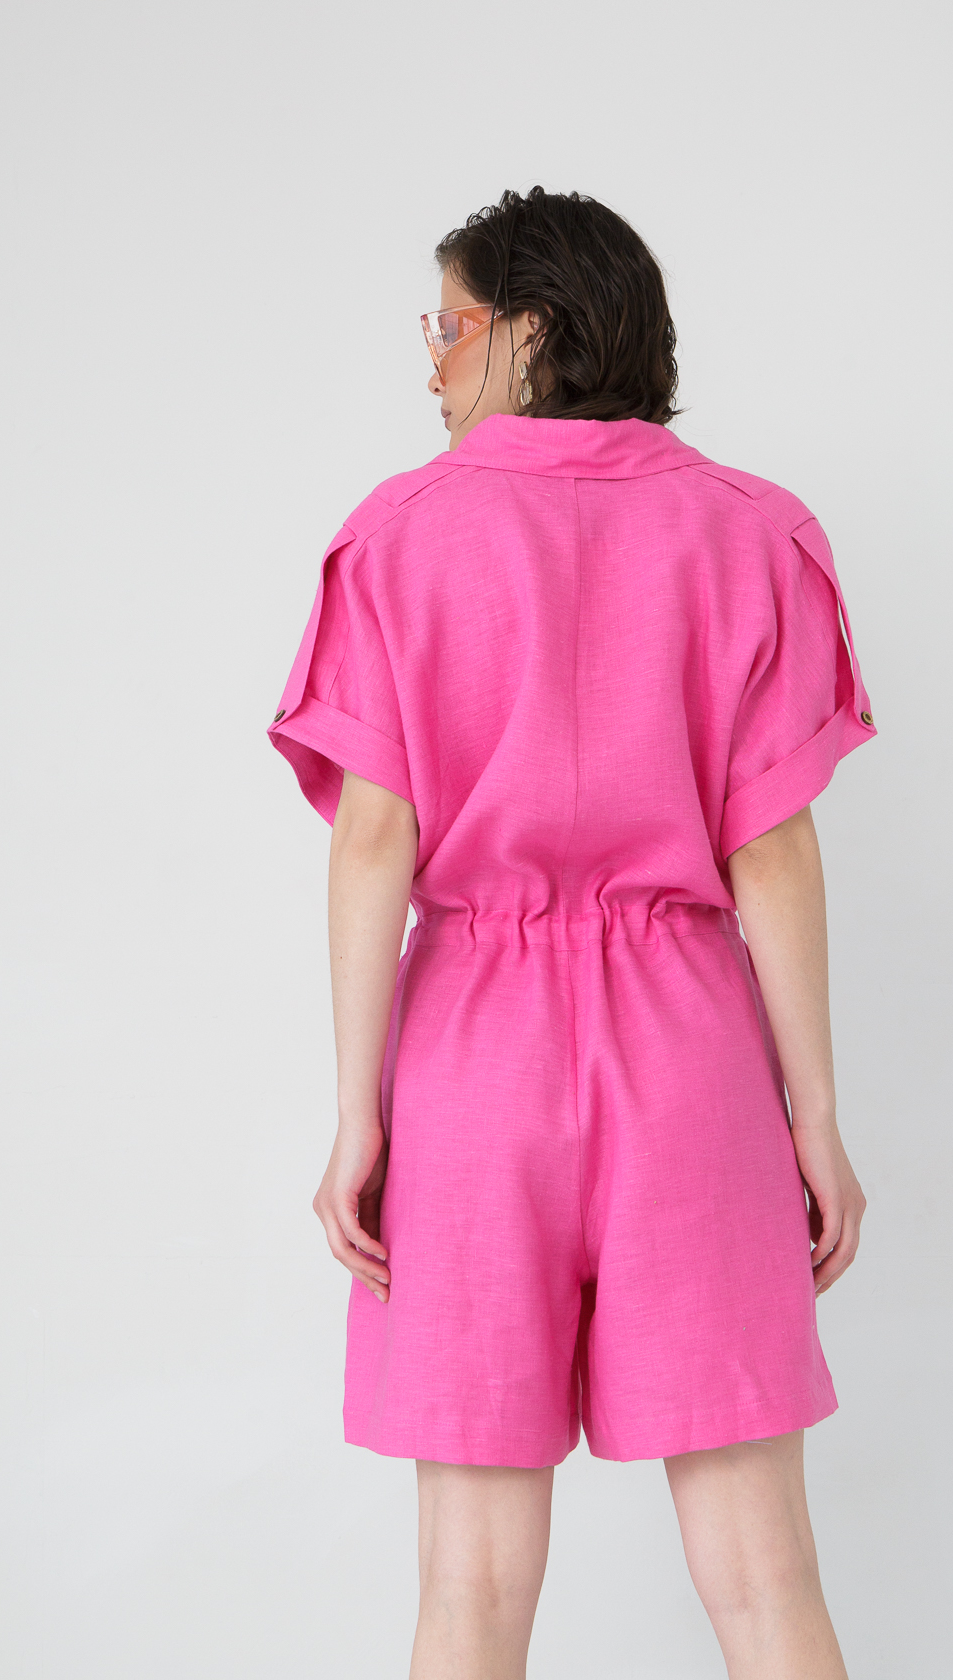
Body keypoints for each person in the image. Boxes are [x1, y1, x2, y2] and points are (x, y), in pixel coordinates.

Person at [267, 186, 875, 1680]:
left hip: (473, 1058)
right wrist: (812, 1119)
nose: (431, 363)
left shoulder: (399, 535)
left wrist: (358, 1117)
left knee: (469, 1588)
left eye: (451, 325)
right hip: (689, 1055)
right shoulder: (753, 533)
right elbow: (771, 848)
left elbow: (373, 840)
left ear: (528, 333)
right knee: (765, 1576)